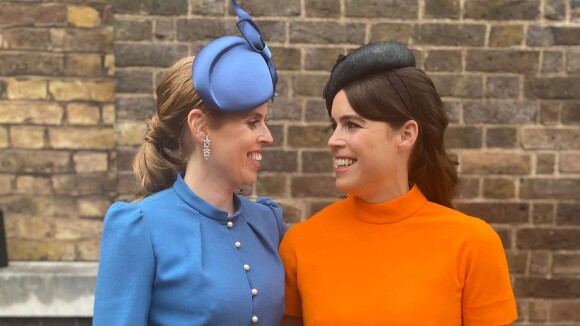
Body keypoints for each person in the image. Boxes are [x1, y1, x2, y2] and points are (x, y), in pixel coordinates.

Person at [280, 42, 517, 326]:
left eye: (352, 124)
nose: (333, 141)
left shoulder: (473, 243)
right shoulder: (301, 244)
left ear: (406, 134)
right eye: (335, 126)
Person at [93, 1, 286, 325]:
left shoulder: (267, 222)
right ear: (200, 126)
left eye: (264, 121)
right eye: (252, 122)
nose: (267, 136)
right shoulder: (140, 227)